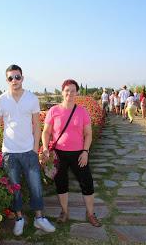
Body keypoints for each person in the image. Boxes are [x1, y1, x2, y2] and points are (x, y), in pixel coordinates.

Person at [0, 64, 55, 236]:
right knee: (14, 187)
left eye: (17, 77)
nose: (14, 80)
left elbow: (37, 125)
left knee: (35, 186)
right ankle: (19, 219)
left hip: (28, 151)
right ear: (7, 80)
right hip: (9, 152)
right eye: (11, 78)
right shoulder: (1, 100)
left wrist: (34, 149)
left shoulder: (31, 98)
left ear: (22, 78)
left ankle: (39, 218)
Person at [41, 79, 102, 227]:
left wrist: (85, 152)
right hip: (59, 154)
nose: (70, 93)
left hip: (78, 154)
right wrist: (44, 148)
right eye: (67, 90)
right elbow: (46, 132)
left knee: (87, 183)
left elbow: (88, 134)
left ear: (77, 92)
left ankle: (90, 213)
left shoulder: (82, 111)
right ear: (62, 92)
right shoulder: (54, 111)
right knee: (61, 184)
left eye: (73, 90)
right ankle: (64, 212)